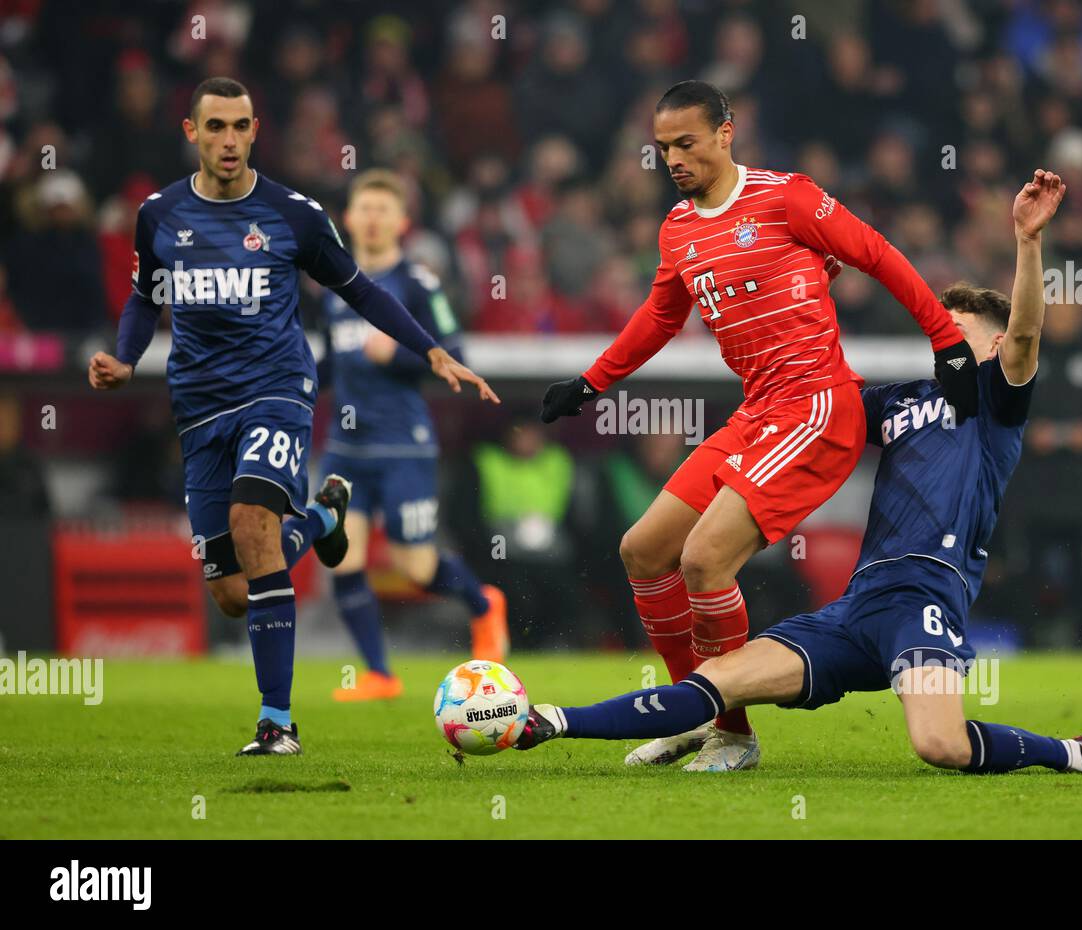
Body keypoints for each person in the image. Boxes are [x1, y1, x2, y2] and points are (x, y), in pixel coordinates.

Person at [518, 171, 1082, 777]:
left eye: (955, 328)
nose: (938, 333)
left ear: (992, 347)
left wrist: (1028, 242)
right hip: (856, 609)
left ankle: (1078, 754)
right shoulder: (901, 400)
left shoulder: (995, 403)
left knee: (938, 744)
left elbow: (1026, 336)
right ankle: (549, 722)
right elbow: (817, 403)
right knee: (712, 687)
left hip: (925, 599)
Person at [538, 80, 979, 771]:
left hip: (818, 407)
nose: (674, 159)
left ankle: (733, 733)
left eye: (686, 142)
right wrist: (592, 382)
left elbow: (877, 253)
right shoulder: (678, 229)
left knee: (704, 560)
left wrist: (947, 341)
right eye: (662, 149)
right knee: (643, 551)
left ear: (725, 132)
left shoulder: (787, 197)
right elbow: (659, 317)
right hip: (758, 411)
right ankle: (692, 711)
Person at [88, 77, 498, 756]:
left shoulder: (295, 215)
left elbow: (359, 288)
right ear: (192, 132)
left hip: (277, 388)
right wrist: (127, 358)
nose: (228, 140)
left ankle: (277, 722)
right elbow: (142, 297)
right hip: (198, 408)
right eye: (215, 126)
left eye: (241, 126)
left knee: (255, 525)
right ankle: (324, 520)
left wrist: (430, 352)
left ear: (255, 131)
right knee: (233, 592)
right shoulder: (159, 216)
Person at [320, 169, 508, 703]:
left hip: (404, 445)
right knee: (341, 556)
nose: (374, 218)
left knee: (416, 566)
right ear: (349, 219)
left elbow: (457, 357)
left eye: (385, 209)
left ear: (402, 223)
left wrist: (400, 353)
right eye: (365, 208)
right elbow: (332, 362)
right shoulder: (335, 287)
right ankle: (380, 674)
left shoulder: (419, 284)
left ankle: (483, 604)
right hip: (346, 447)